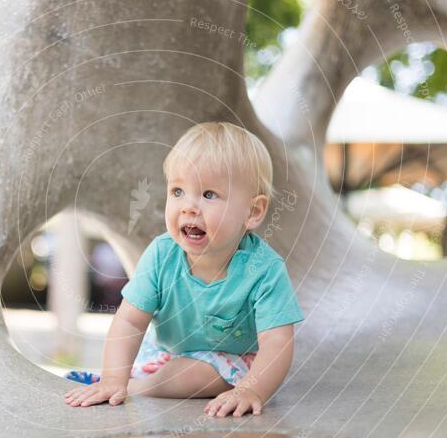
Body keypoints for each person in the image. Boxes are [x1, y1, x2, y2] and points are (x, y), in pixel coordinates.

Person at [64, 122, 304, 417]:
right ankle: (116, 381)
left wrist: (251, 389)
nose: (189, 207)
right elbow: (129, 322)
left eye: (209, 195)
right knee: (159, 366)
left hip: (233, 360)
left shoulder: (264, 269)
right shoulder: (162, 254)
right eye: (177, 191)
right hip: (166, 351)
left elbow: (277, 342)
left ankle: (142, 387)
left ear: (252, 212)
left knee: (197, 376)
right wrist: (114, 377)